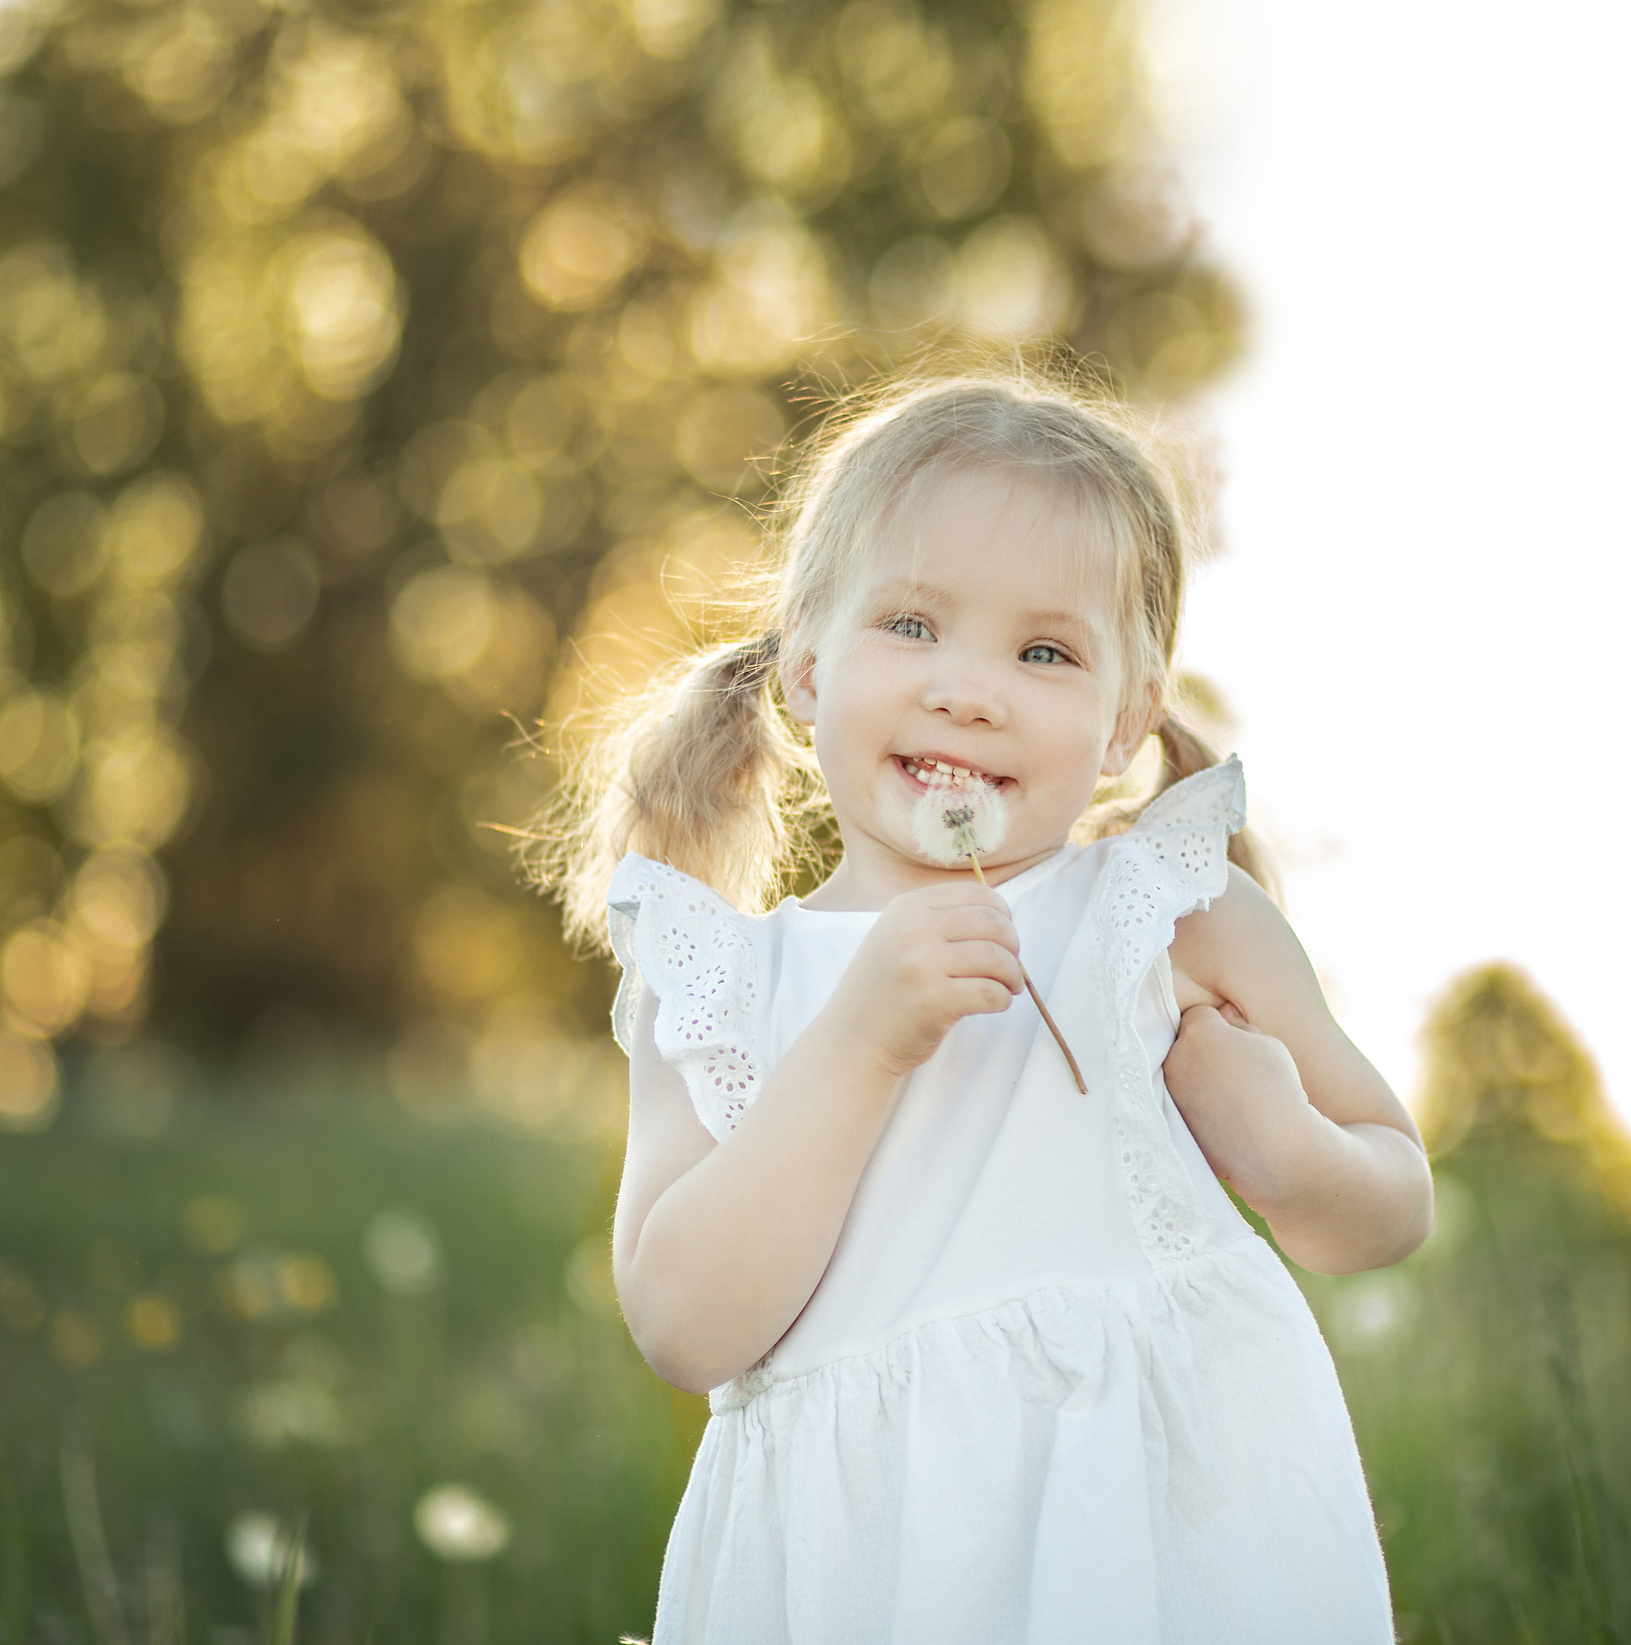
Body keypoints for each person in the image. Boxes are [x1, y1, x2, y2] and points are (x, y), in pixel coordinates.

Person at [534, 371, 1432, 1642]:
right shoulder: (721, 985)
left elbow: (1391, 1202)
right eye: (910, 625)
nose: (968, 688)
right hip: (873, 1570)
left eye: (1045, 652)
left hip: (1159, 1540)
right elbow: (686, 1328)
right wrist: (858, 1042)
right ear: (804, 664)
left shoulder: (1168, 915)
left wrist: (1284, 1152)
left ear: (1125, 722)